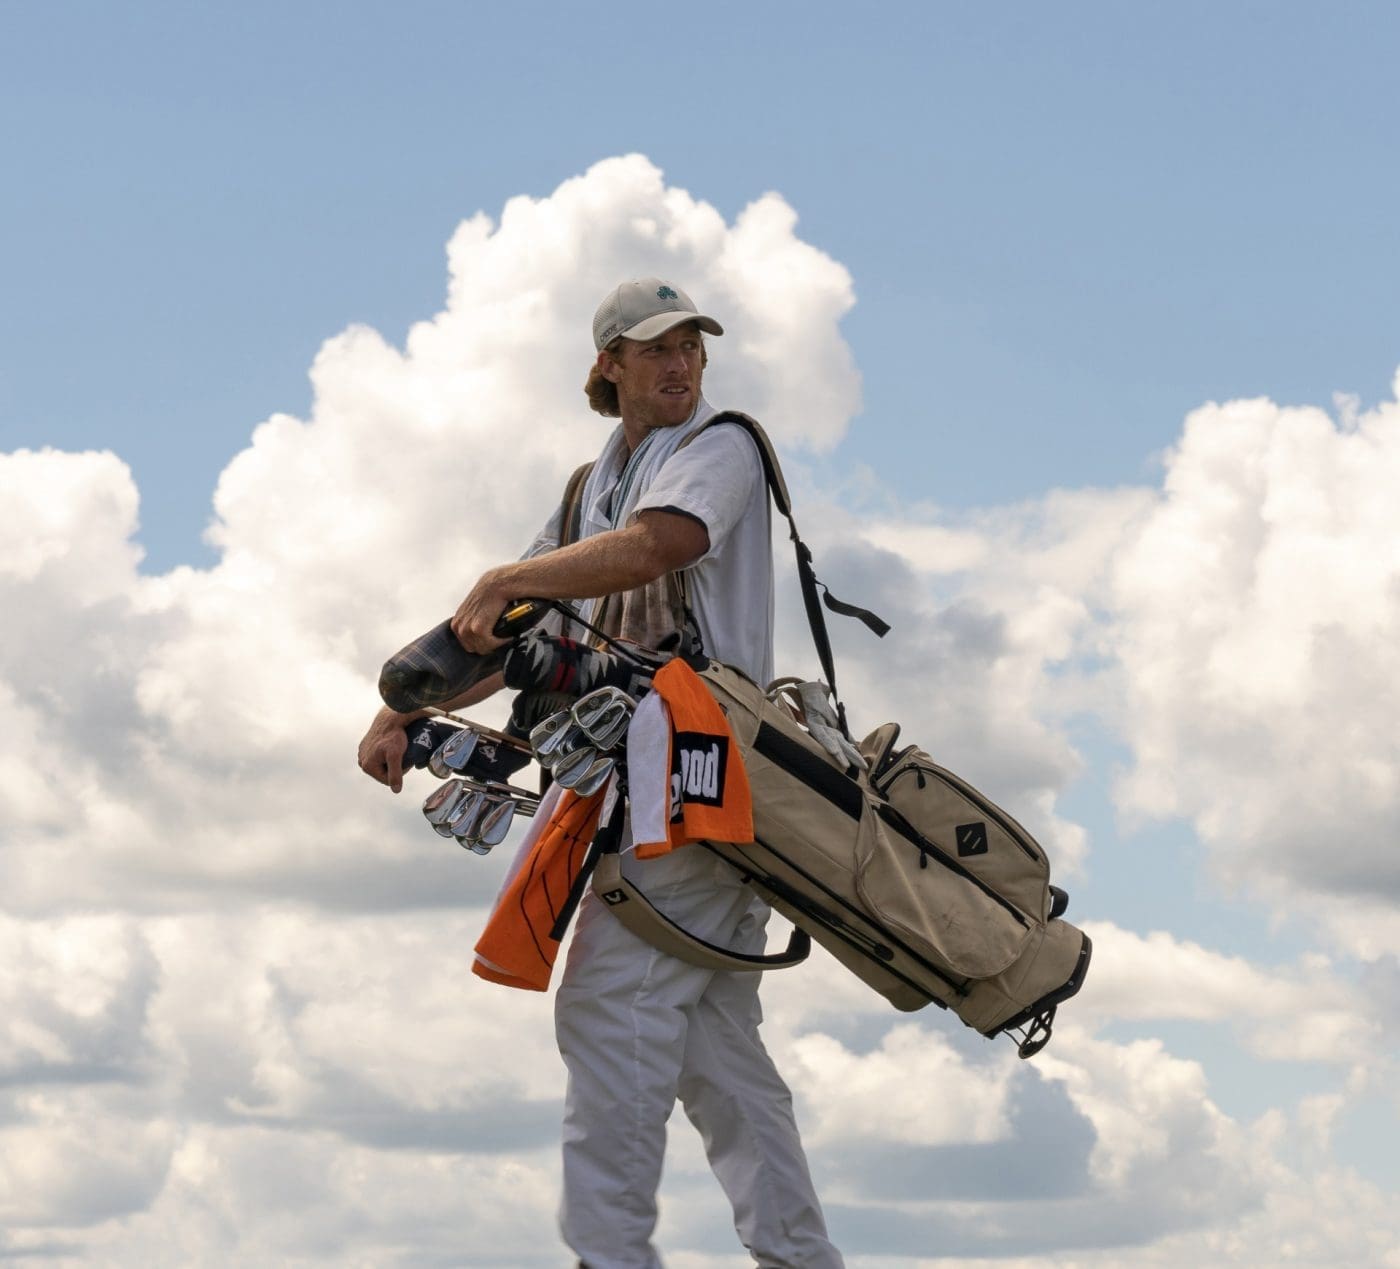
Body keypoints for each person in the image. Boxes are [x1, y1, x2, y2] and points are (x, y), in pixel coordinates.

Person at [358, 278, 844, 1268]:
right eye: (655, 348)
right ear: (607, 366)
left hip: (695, 779)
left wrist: (507, 579)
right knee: (717, 1061)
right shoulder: (593, 484)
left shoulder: (722, 447)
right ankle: (799, 1259)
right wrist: (404, 709)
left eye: (691, 348)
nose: (680, 365)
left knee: (606, 1013)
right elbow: (507, 630)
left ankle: (609, 1258)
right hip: (657, 793)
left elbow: (662, 545)